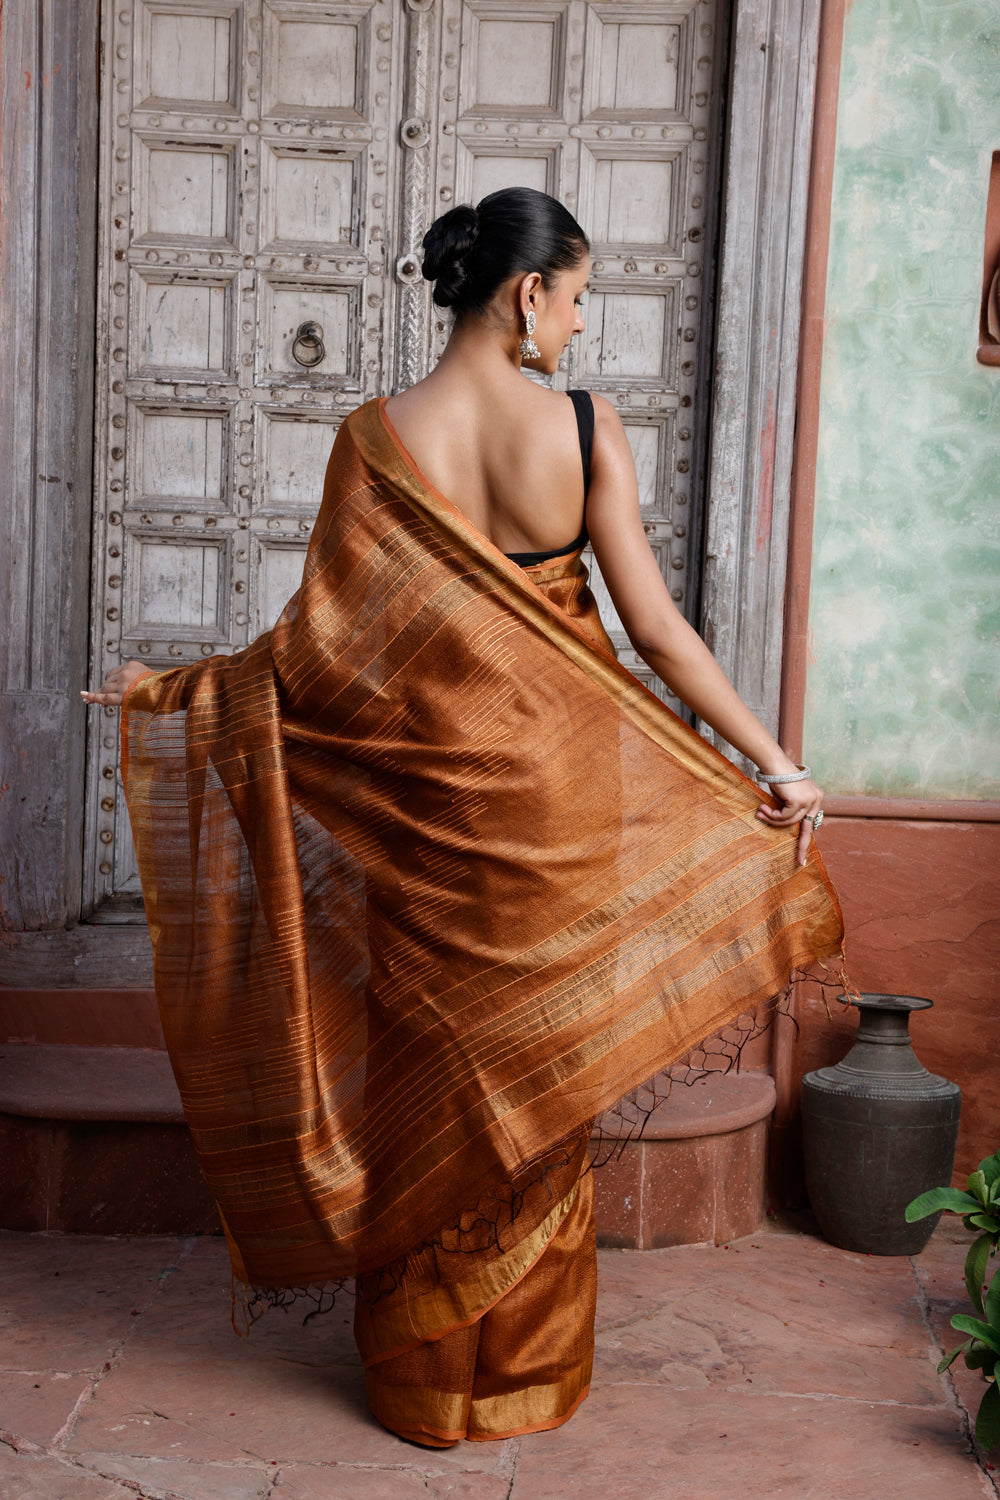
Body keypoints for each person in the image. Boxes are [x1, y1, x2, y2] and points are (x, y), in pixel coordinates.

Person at [85, 188, 842, 1448]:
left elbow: (312, 661)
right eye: (582, 299)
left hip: (426, 814)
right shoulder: (587, 436)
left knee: (440, 1067)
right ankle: (524, 1376)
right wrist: (776, 763)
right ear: (526, 294)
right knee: (540, 1076)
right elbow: (654, 632)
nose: (585, 329)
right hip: (561, 800)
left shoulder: (373, 438)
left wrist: (175, 695)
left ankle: (424, 1385)